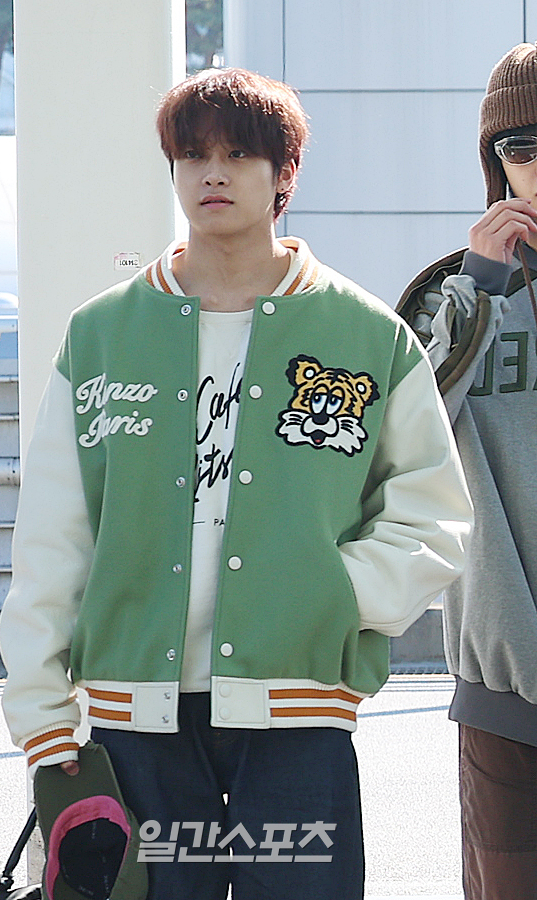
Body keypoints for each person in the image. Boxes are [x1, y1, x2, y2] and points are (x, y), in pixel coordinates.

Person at [0, 67, 472, 900]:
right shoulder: (102, 333)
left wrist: (329, 593)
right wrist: (43, 714)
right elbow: (53, 532)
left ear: (284, 173)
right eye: (193, 154)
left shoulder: (364, 335)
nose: (212, 173)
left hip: (299, 710)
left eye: (239, 154)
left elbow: (434, 516)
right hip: (135, 715)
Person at [402, 42, 537, 900]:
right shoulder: (449, 297)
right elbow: (397, 440)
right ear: (495, 164)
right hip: (504, 683)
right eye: (522, 147)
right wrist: (480, 287)